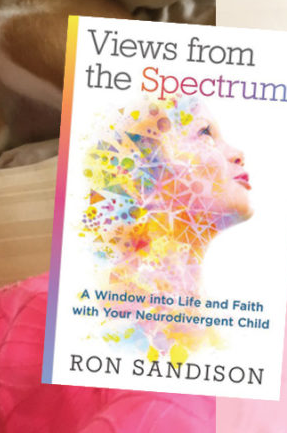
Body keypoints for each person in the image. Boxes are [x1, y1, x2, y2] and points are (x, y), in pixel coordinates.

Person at [79, 96, 252, 360]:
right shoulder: (109, 328)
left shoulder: (206, 332)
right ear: (139, 170)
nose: (238, 154)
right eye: (205, 133)